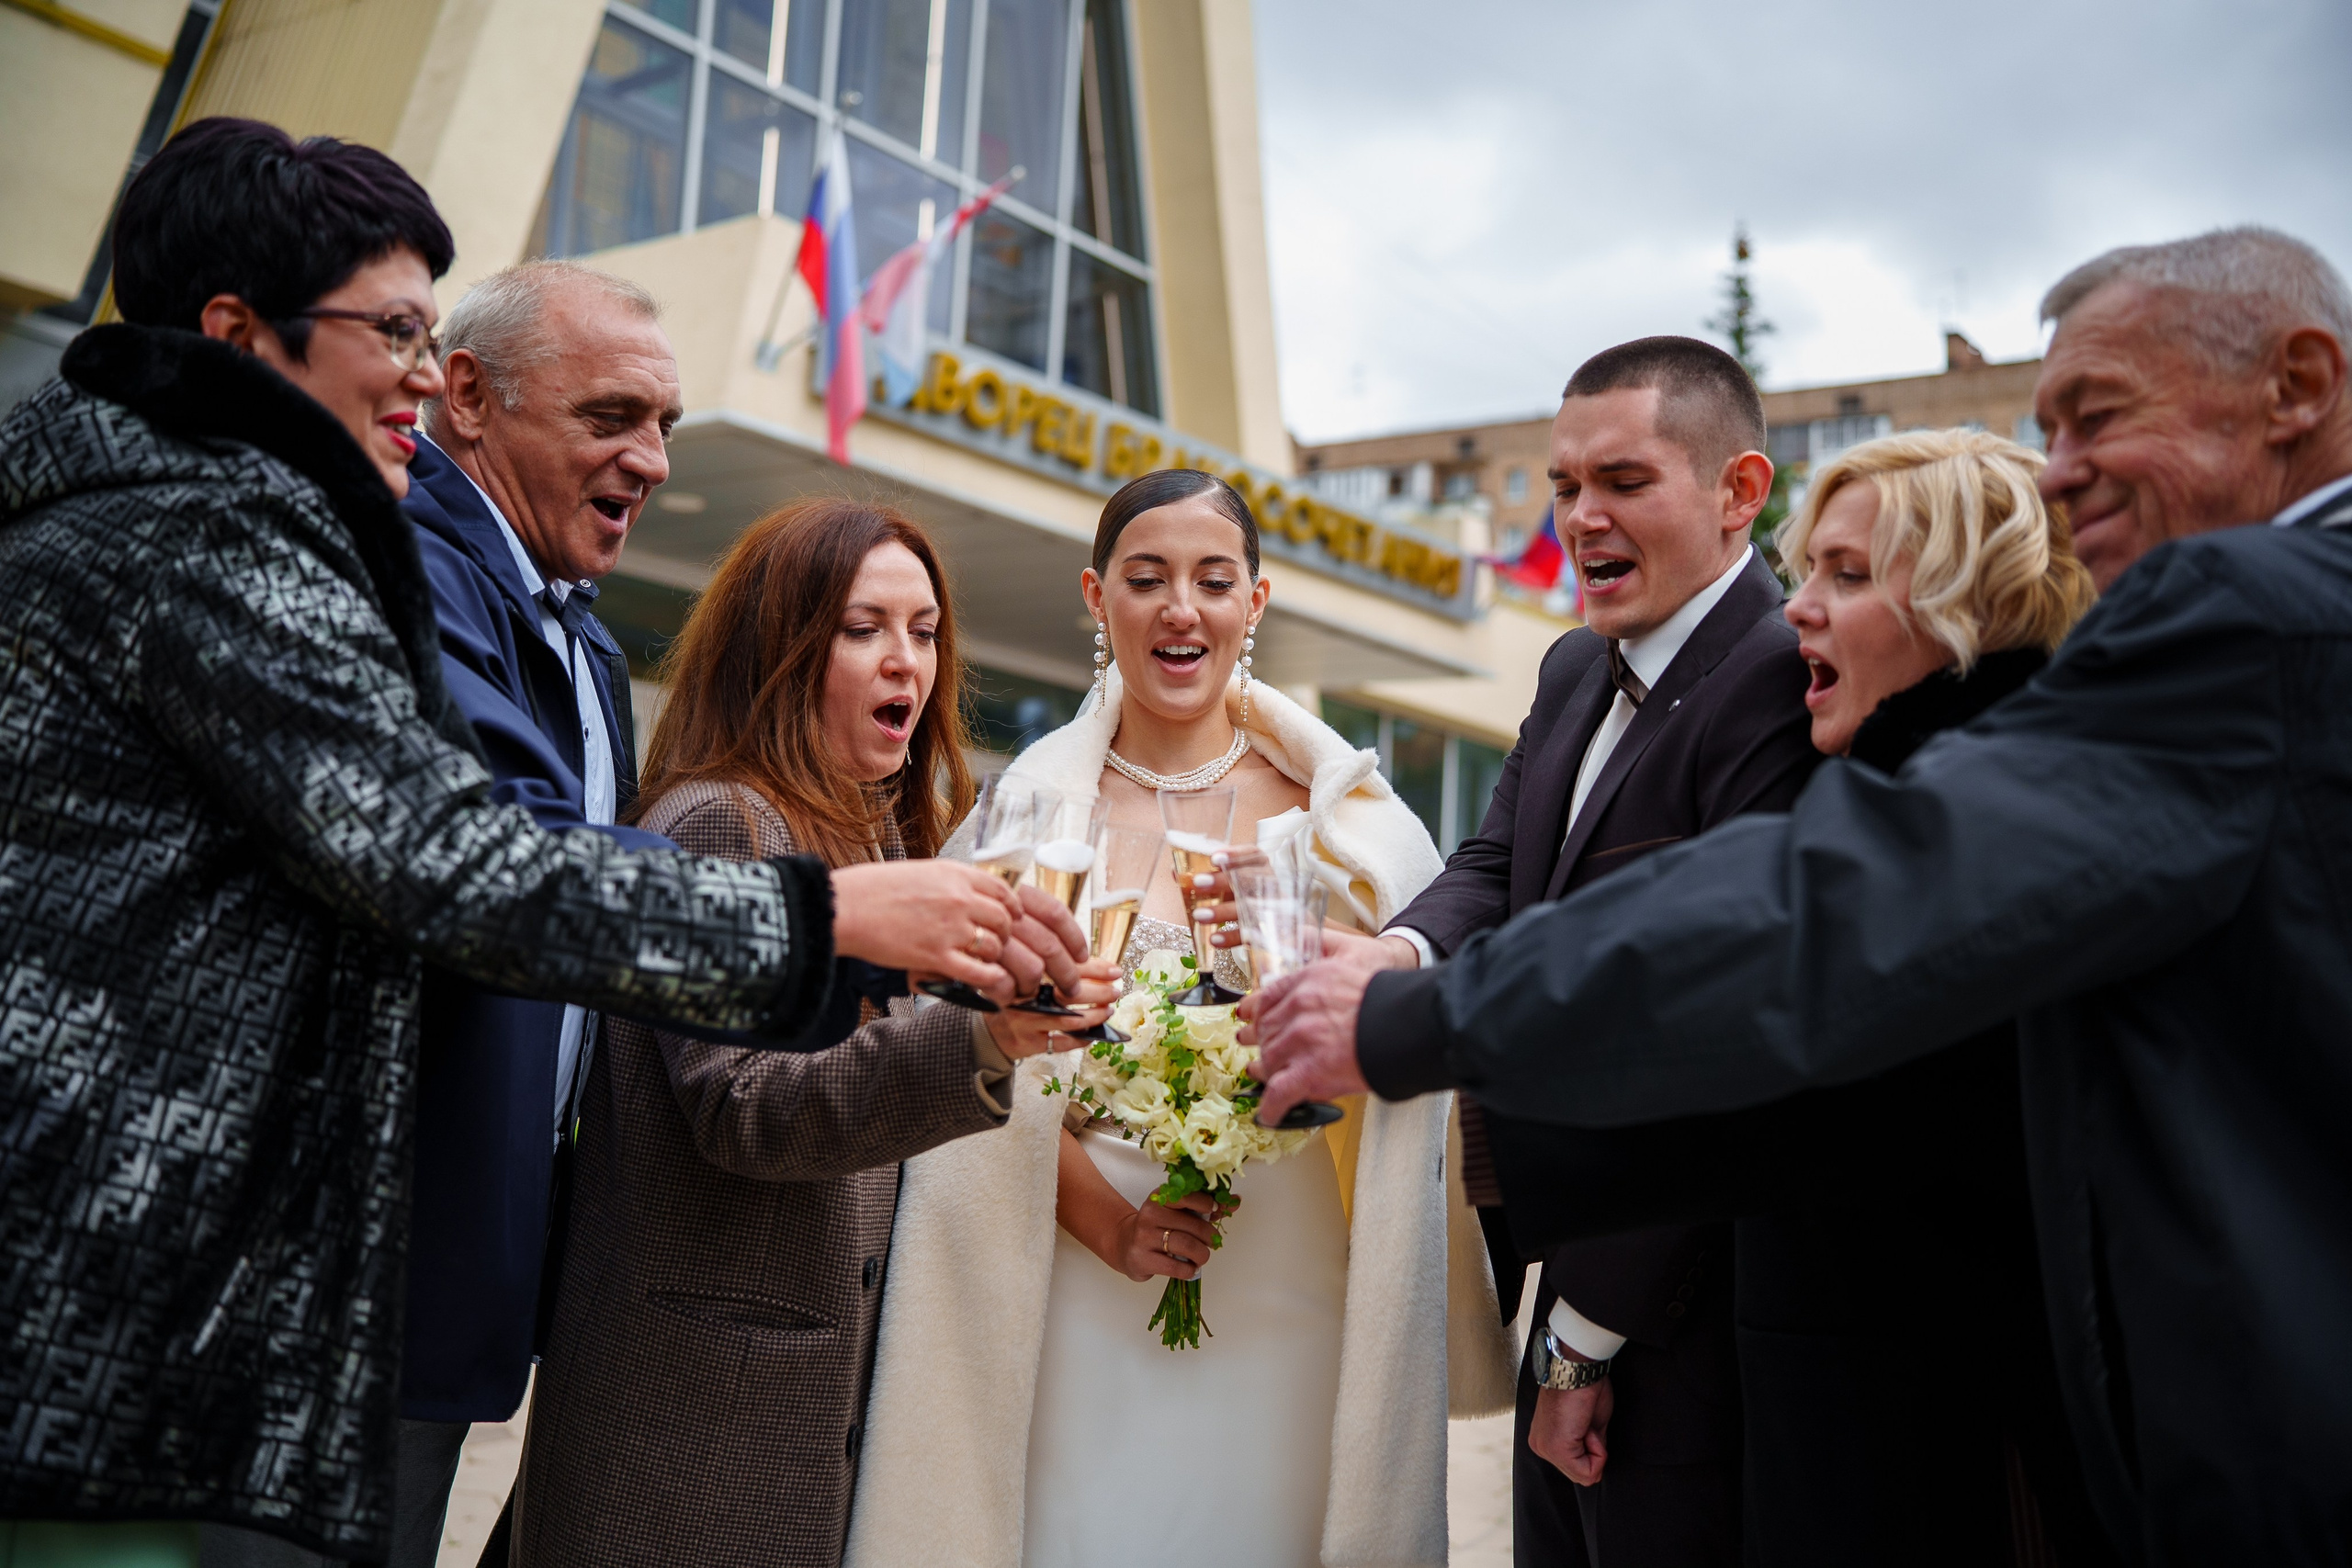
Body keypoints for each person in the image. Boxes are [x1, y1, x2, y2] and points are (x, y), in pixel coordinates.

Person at [0, 118, 1053, 1567]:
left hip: (281, 1298)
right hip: (159, 1300)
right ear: (241, 336)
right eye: (396, 332)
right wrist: (832, 918)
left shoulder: (223, 526)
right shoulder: (216, 541)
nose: (423, 377)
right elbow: (463, 865)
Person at [1247, 227, 2352, 1565]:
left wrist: (1416, 1021)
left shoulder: (2245, 620)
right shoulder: (1575, 676)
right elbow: (1861, 1098)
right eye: (2046, 425)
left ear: (2299, 384)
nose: (2061, 472)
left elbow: (1816, 922)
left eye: (2098, 415)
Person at [842, 468, 1517, 1568]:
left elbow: (1401, 1061)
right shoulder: (1025, 811)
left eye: (1212, 580)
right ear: (1095, 597)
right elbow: (962, 1063)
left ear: (1255, 602)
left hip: (1284, 1260)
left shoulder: (1344, 824)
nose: (1179, 609)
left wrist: (1283, 960)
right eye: (1145, 578)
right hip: (1070, 1265)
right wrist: (1103, 1218)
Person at [1488, 428, 2112, 1565]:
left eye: (1848, 574)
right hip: (1826, 1421)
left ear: (1974, 603)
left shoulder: (1978, 846)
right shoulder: (1880, 799)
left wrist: (1407, 1057)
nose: (1795, 611)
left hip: (1957, 1451)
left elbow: (1744, 1091)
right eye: (1810, 567)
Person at [504, 500, 1113, 1567]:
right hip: (693, 1424)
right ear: (783, 648)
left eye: (923, 633)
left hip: (788, 1413)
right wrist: (981, 1044)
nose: (906, 665)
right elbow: (747, 1109)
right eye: (863, 628)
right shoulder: (720, 819)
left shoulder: (877, 830)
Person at [1361, 335, 1818, 1566]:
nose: (1581, 517)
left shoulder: (1782, 683)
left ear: (1739, 492)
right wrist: (1393, 957)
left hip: (1683, 1314)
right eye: (1564, 485)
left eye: (1623, 481)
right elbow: (1500, 865)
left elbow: (1719, 1047)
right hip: (1561, 1263)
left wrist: (1585, 1335)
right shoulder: (1574, 664)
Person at [388, 259, 683, 1567]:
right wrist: (839, 928)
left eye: (667, 424)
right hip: (363, 1261)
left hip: (473, 1263)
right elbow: (510, 864)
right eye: (612, 416)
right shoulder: (401, 562)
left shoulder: (594, 648)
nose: (654, 460)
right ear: (466, 395)